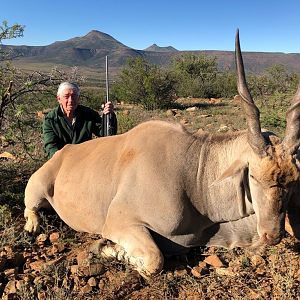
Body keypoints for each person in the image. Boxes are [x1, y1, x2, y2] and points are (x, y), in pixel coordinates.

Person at [43, 82, 117, 159]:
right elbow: (50, 146)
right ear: (59, 99)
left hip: (85, 161)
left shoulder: (89, 114)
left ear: (78, 98)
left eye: (74, 96)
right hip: (62, 163)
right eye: (66, 96)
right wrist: (60, 160)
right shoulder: (50, 119)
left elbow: (106, 135)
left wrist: (109, 116)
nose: (70, 100)